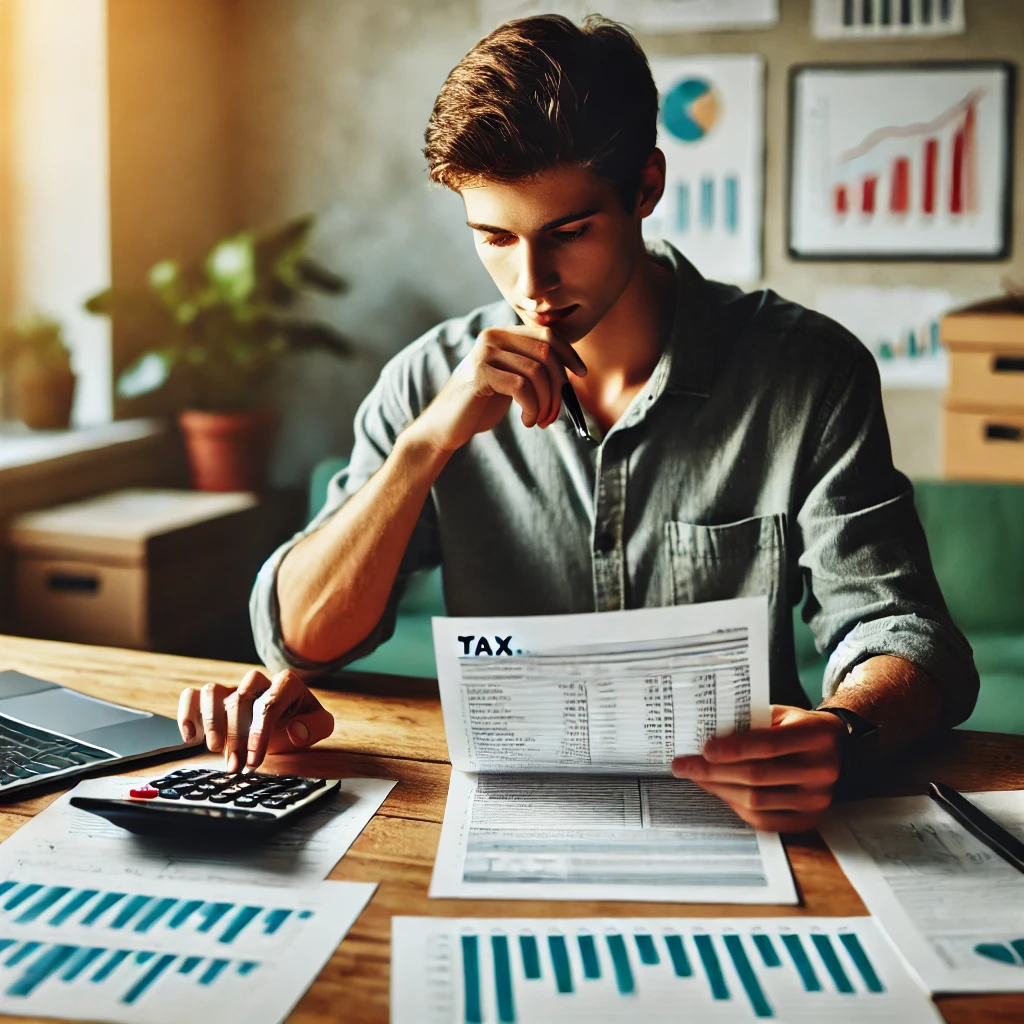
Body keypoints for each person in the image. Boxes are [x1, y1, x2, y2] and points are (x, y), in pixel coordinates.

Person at [177, 14, 978, 832]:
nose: (534, 282)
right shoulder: (426, 380)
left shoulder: (809, 372)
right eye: (493, 236)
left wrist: (843, 732)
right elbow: (300, 641)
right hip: (503, 828)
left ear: (646, 188)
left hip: (746, 823)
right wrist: (426, 444)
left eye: (569, 232)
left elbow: (903, 631)